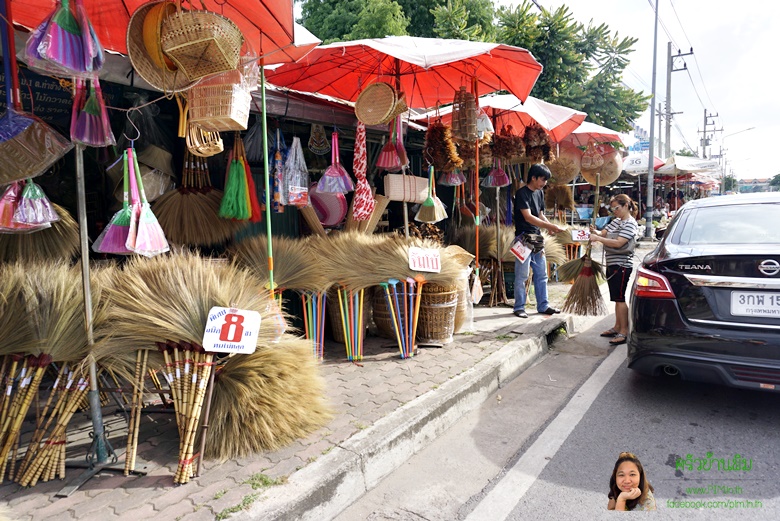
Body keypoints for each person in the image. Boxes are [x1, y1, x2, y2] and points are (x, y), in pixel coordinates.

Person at [512, 163, 566, 318]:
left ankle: (543, 305)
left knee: (541, 274)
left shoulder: (540, 193)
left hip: (537, 238)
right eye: (543, 179)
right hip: (523, 238)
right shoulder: (522, 193)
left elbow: (540, 215)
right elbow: (528, 217)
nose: (544, 183)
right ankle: (519, 307)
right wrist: (550, 226)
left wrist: (549, 226)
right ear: (533, 178)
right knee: (522, 275)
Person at [589, 194, 639, 345]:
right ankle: (617, 326)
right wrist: (595, 232)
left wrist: (598, 239)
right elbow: (602, 233)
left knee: (620, 298)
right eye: (612, 209)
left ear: (626, 206)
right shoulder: (616, 221)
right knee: (616, 298)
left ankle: (624, 331)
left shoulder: (630, 224)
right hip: (612, 263)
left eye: (617, 208)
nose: (614, 211)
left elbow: (618, 243)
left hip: (622, 265)